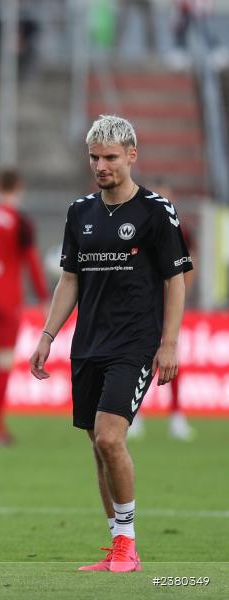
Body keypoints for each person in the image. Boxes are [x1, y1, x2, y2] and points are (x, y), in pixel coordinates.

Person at [30, 115, 192, 572]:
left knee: (109, 436)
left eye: (110, 157)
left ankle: (128, 546)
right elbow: (69, 279)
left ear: (132, 156)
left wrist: (170, 343)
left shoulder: (156, 211)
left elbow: (175, 279)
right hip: (87, 344)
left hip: (135, 343)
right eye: (95, 157)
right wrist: (47, 335)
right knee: (97, 445)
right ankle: (118, 542)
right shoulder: (79, 211)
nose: (101, 166)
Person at [0, 170, 48, 445]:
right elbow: (31, 260)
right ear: (19, 187)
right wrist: (43, 297)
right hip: (5, 300)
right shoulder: (19, 219)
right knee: (2, 362)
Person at [127, 179, 196, 441]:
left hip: (168, 306)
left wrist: (180, 298)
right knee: (135, 358)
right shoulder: (140, 226)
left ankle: (177, 416)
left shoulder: (180, 229)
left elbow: (189, 266)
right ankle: (134, 416)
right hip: (143, 305)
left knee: (170, 358)